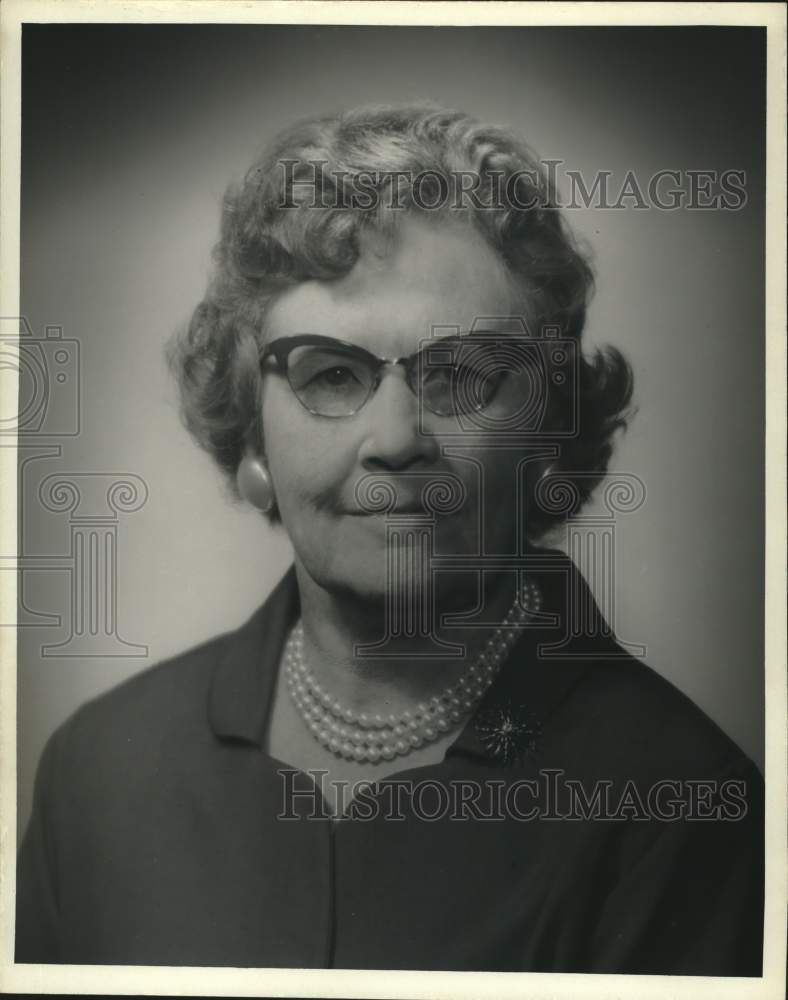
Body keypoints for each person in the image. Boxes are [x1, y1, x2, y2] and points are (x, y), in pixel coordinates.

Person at [15, 104, 763, 973]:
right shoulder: (98, 772)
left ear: (546, 436)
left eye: (462, 376)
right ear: (253, 441)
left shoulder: (679, 802)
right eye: (332, 375)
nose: (398, 438)